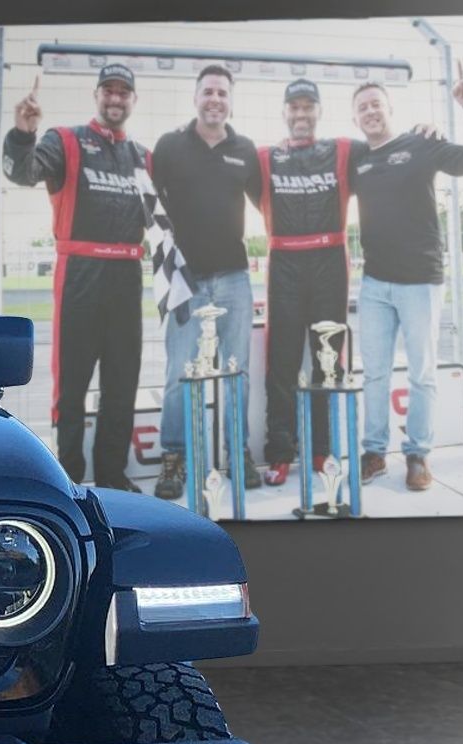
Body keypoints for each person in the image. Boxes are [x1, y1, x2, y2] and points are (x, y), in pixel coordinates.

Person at [4, 63, 149, 491]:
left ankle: (112, 476)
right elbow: (22, 172)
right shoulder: (66, 140)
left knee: (122, 385)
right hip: (80, 274)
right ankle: (67, 478)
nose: (116, 98)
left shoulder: (144, 156)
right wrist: (23, 134)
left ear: (133, 100)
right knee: (72, 387)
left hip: (128, 275)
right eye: (109, 90)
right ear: (97, 95)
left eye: (124, 92)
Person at [352, 69, 463, 491]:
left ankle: (417, 455)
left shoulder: (422, 142)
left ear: (390, 108)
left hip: (420, 282)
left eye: (376, 103)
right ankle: (374, 453)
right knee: (373, 373)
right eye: (362, 108)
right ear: (356, 118)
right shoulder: (356, 158)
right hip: (374, 284)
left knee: (422, 374)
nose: (370, 111)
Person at [151, 64, 264, 500]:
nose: (215, 99)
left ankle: (239, 454)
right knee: (180, 373)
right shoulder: (170, 145)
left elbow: (270, 205)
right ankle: (175, 455)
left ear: (230, 100)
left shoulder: (246, 150)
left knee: (236, 372)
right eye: (208, 92)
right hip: (185, 278)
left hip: (235, 276)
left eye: (222, 93)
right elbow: (145, 204)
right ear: (195, 97)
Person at [256, 79, 364, 487]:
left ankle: (321, 450)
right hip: (284, 261)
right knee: (281, 364)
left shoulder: (343, 150)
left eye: (308, 108)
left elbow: (386, 151)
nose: (301, 115)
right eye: (294, 108)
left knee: (326, 363)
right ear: (285, 112)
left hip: (330, 263)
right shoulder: (265, 157)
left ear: (318, 111)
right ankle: (280, 453)